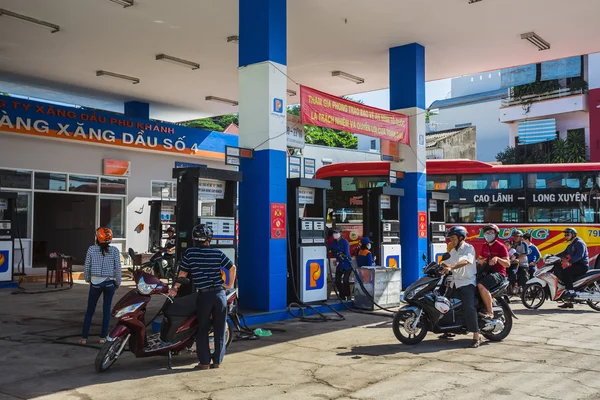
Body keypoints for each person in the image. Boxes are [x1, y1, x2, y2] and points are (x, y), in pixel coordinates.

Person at [169, 224, 237, 370]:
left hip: (204, 295)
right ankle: (217, 361)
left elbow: (183, 274)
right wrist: (229, 285)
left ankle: (204, 362)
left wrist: (174, 289)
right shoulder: (217, 253)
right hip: (219, 295)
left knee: (202, 328)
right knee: (219, 329)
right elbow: (232, 267)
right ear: (209, 239)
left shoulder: (190, 253)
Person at [79, 227, 122, 345]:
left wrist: (88, 279)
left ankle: (84, 338)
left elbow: (87, 266)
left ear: (97, 238)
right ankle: (103, 337)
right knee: (106, 310)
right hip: (109, 284)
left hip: (95, 284)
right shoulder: (114, 250)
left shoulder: (91, 249)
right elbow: (118, 268)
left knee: (90, 311)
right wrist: (118, 282)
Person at [440, 226, 482, 348]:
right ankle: (448, 329)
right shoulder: (453, 251)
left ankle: (476, 335)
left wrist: (451, 267)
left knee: (469, 307)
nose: (451, 241)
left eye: (453, 238)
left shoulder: (468, 248)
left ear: (461, 237)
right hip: (455, 282)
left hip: (467, 282)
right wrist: (441, 265)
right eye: (450, 238)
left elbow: (465, 261)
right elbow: (448, 261)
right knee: (445, 303)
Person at [476, 224, 510, 319]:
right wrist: (481, 261)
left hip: (498, 273)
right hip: (486, 272)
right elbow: (479, 259)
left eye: (491, 233)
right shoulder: (484, 246)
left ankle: (490, 312)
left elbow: (507, 263)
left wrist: (497, 259)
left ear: (496, 234)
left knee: (481, 285)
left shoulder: (501, 246)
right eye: (487, 233)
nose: (488, 234)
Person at [555, 228, 589, 308]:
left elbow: (579, 256)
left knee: (566, 271)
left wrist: (570, 262)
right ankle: (568, 301)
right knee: (561, 270)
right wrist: (553, 256)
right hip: (575, 265)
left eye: (567, 235)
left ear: (573, 235)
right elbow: (564, 253)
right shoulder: (571, 244)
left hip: (582, 266)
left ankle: (571, 291)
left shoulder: (579, 243)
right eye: (565, 235)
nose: (565, 236)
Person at [329, 229, 353, 300]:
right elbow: (330, 249)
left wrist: (340, 256)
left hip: (347, 264)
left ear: (340, 233)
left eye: (337, 232)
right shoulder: (333, 243)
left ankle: (348, 295)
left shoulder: (345, 242)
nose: (335, 234)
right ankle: (342, 295)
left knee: (345, 280)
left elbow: (346, 253)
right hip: (339, 265)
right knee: (337, 281)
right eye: (334, 233)